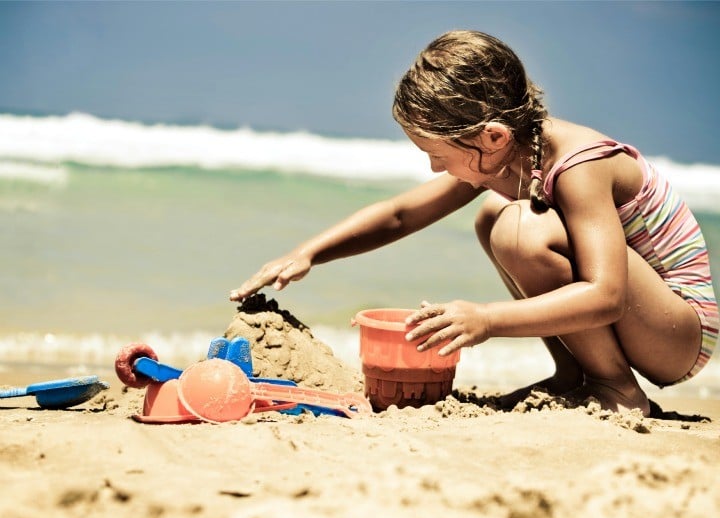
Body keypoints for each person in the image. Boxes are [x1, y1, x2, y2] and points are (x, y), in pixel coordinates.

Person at [230, 30, 718, 416]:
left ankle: (615, 389)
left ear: (492, 136)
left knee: (520, 229)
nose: (433, 169)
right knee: (496, 215)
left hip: (679, 331)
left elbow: (606, 293)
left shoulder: (580, 164)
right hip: (645, 321)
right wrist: (310, 252)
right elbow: (403, 215)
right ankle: (576, 375)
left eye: (437, 155)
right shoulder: (505, 157)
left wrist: (486, 320)